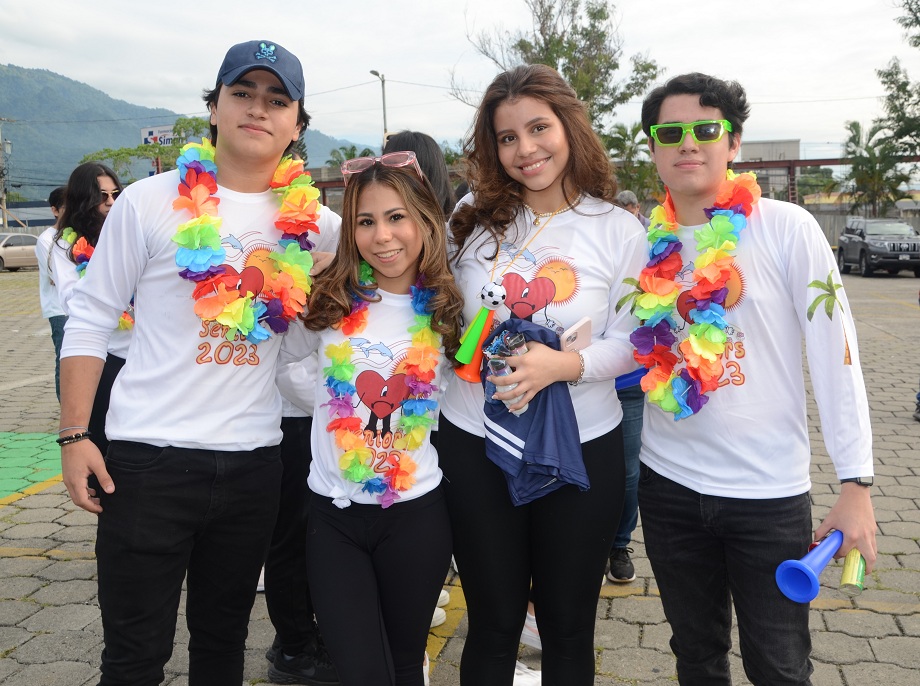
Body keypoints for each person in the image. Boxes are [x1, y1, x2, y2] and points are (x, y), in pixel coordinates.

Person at [57, 39, 341, 685]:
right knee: (133, 656)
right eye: (242, 94)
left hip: (253, 462)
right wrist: (76, 435)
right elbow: (93, 318)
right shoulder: (148, 202)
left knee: (223, 645)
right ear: (214, 108)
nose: (257, 110)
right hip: (147, 461)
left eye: (277, 100)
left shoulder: (319, 228)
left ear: (297, 124)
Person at [633, 72, 876, 685]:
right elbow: (621, 346)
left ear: (734, 142)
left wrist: (857, 484)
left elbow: (836, 354)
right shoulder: (643, 243)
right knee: (696, 655)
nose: (688, 143)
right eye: (670, 131)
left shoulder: (787, 228)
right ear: (654, 148)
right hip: (668, 488)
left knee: (779, 664)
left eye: (705, 128)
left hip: (767, 495)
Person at [439, 64, 646, 685]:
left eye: (538, 128)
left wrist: (567, 365)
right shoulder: (471, 219)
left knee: (567, 625)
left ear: (569, 127)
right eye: (507, 137)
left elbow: (637, 341)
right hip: (475, 441)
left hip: (581, 449)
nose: (526, 149)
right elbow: (437, 306)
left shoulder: (618, 228)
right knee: (495, 621)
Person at [277, 152, 462, 685]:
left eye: (396, 217)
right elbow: (286, 365)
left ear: (425, 219)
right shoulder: (328, 301)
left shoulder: (450, 310)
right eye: (366, 220)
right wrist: (338, 409)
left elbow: (459, 398)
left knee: (406, 664)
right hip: (334, 516)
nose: (382, 236)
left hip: (417, 513)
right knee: (359, 669)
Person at [51, 164, 129, 457]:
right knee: (104, 440)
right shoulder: (62, 244)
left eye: (115, 194)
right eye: (102, 196)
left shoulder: (128, 233)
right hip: (104, 356)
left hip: (142, 354)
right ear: (85, 199)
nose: (110, 202)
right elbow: (74, 300)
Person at [35, 186, 67, 401]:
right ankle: (67, 413)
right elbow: (58, 278)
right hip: (60, 310)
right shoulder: (46, 239)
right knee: (65, 361)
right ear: (55, 210)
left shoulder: (78, 234)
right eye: (68, 206)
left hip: (81, 308)